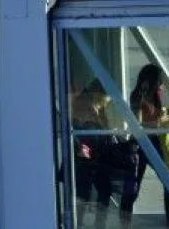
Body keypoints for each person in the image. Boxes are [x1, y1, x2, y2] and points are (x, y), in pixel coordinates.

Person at [125, 64, 169, 229]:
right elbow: (137, 123)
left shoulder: (158, 96)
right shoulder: (138, 96)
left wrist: (168, 115)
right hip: (142, 142)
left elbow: (161, 118)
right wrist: (161, 120)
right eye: (158, 81)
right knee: (134, 184)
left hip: (157, 142)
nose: (160, 85)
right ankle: (125, 221)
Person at [71, 79, 117, 228]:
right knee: (86, 191)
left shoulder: (95, 107)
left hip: (97, 154)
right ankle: (81, 223)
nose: (107, 102)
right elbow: (78, 129)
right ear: (99, 94)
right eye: (106, 99)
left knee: (99, 190)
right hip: (88, 155)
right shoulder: (83, 105)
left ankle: (95, 224)